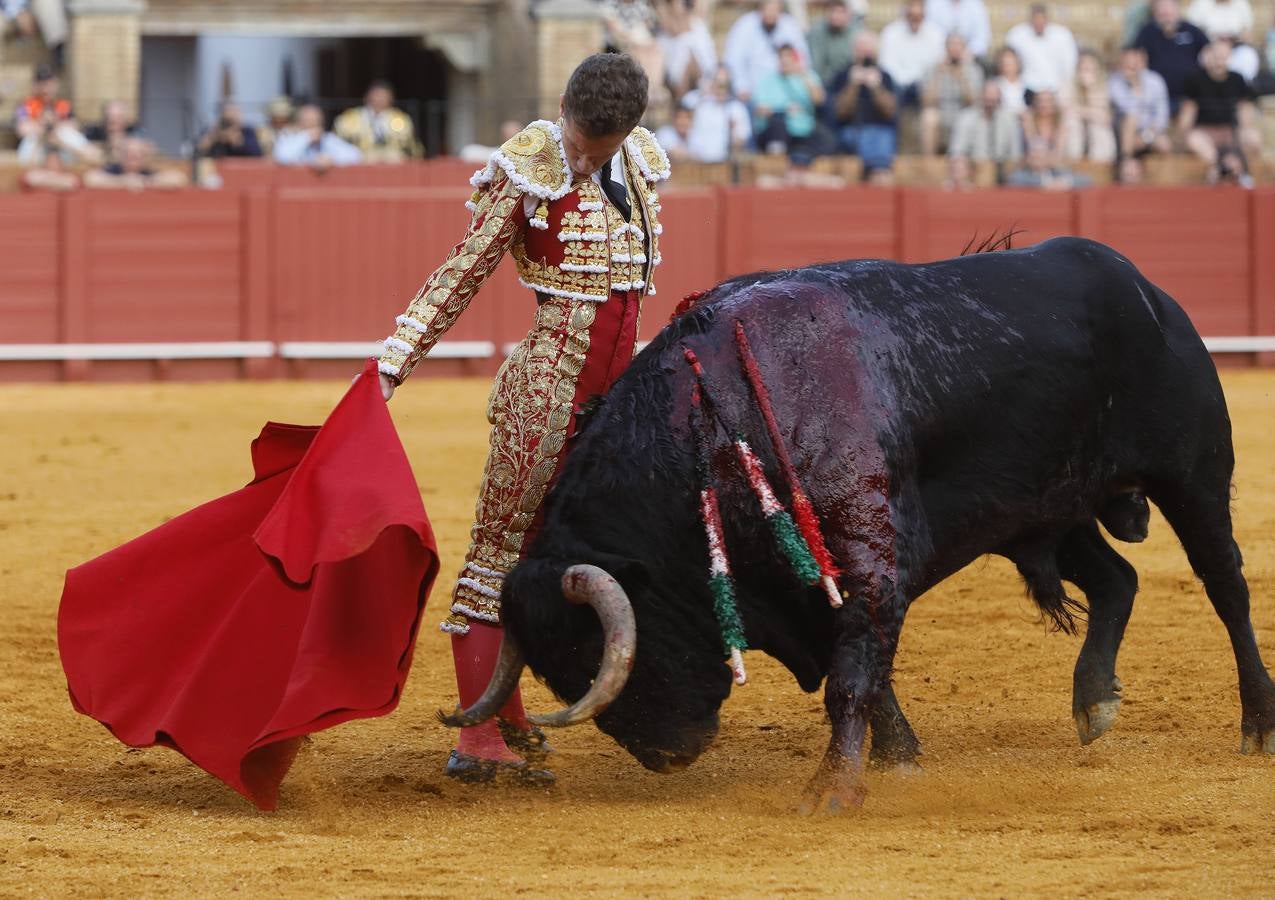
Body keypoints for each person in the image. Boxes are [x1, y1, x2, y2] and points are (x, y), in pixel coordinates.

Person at [375, 53, 671, 784]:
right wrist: (393, 362)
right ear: (562, 107)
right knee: (500, 552)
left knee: (594, 547)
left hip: (618, 400)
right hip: (546, 392)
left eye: (593, 152)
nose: (578, 157)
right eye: (575, 141)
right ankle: (478, 739)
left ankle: (526, 712)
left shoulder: (634, 162)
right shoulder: (528, 166)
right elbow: (463, 269)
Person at [1179, 39, 1261, 183]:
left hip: (1231, 131)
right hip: (1205, 132)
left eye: (1223, 57)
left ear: (1229, 58)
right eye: (1216, 56)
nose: (1219, 61)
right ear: (1208, 56)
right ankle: (1219, 167)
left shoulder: (1237, 79)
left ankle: (1242, 170)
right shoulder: (1195, 80)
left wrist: (1244, 130)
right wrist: (1183, 134)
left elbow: (1244, 109)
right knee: (1194, 139)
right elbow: (1188, 111)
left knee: (1253, 138)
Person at [828, 30, 898, 182]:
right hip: (851, 130)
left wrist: (876, 87)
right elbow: (840, 112)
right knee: (865, 139)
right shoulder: (843, 75)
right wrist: (852, 85)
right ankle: (876, 174)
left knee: (880, 139)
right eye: (862, 50)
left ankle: (876, 174)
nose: (865, 55)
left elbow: (890, 111)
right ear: (854, 51)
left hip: (880, 130)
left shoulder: (885, 76)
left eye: (868, 50)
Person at [753, 42, 829, 163]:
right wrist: (784, 110)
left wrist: (802, 74)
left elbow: (819, 100)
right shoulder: (767, 80)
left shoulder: (807, 76)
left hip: (803, 131)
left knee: (825, 138)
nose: (785, 61)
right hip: (776, 131)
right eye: (782, 57)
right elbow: (760, 110)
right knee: (778, 123)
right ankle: (777, 164)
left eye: (788, 57)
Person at [13, 64, 99, 168]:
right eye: (42, 83)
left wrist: (54, 127)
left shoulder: (63, 105)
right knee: (32, 138)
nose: (46, 87)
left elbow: (74, 126)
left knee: (67, 134)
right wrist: (44, 126)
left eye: (49, 83)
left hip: (61, 144)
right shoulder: (26, 105)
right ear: (35, 85)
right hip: (38, 145)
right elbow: (23, 129)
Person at [724, 0, 810, 101]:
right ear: (760, 9)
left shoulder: (790, 26)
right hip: (752, 95)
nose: (771, 13)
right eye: (768, 9)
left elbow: (802, 59)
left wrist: (793, 69)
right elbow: (734, 61)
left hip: (786, 94)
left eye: (775, 9)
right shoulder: (745, 25)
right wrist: (741, 87)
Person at [1135, 0, 1210, 112]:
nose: (1166, 16)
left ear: (1177, 10)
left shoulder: (1192, 30)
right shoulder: (1147, 32)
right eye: (1162, 12)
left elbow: (1209, 50)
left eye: (1169, 11)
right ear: (1155, 13)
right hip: (1157, 97)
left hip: (1189, 97)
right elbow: (1136, 56)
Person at [947, 81, 1023, 187]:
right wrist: (967, 166)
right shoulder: (966, 117)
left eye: (994, 98)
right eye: (987, 97)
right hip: (974, 166)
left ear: (1000, 99)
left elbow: (1015, 153)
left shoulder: (1009, 119)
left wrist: (1008, 167)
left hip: (1002, 167)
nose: (990, 102)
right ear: (980, 97)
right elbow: (957, 150)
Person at [920, 32, 983, 154]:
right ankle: (929, 161)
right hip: (941, 111)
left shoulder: (974, 70)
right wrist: (938, 75)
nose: (955, 48)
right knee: (929, 117)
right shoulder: (932, 68)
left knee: (969, 118)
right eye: (952, 44)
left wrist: (961, 78)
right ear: (945, 47)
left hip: (964, 112)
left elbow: (973, 102)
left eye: (959, 45)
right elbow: (927, 101)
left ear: (964, 48)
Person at [1109, 46, 1172, 162]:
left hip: (1149, 134)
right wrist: (1133, 85)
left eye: (1136, 62)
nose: (1132, 66)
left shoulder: (1156, 81)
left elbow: (1162, 117)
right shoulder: (1114, 83)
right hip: (1122, 133)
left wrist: (1145, 137)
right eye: (1128, 63)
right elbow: (1129, 111)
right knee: (1130, 121)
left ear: (1144, 62)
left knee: (1164, 144)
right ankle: (1125, 166)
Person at [878, 0, 945, 108]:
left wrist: (921, 82)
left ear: (924, 14)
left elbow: (937, 64)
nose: (915, 19)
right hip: (898, 84)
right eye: (912, 15)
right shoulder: (890, 32)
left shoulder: (936, 33)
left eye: (918, 16)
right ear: (905, 13)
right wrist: (905, 82)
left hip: (925, 84)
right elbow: (887, 65)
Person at [334, 81, 419, 162]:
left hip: (393, 164)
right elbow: (338, 146)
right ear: (367, 97)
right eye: (377, 95)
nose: (380, 99)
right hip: (360, 161)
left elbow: (412, 148)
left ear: (391, 99)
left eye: (384, 96)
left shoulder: (402, 120)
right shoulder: (349, 119)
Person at [683, 66, 753, 162]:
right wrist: (705, 93)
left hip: (723, 162)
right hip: (695, 160)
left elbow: (742, 139)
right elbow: (683, 111)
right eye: (718, 82)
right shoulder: (698, 100)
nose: (721, 87)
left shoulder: (737, 108)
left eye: (724, 83)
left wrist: (733, 134)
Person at [1006, 3, 1079, 93]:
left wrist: (1065, 87)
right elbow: (1009, 64)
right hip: (1025, 87)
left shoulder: (1062, 35)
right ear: (1030, 20)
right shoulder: (1017, 34)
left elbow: (1070, 65)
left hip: (1056, 87)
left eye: (1042, 19)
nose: (1039, 23)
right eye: (1036, 19)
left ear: (1048, 19)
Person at [656, 0, 717, 104]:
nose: (683, 4)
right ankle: (682, 106)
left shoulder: (698, 25)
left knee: (691, 53)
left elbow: (709, 60)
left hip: (703, 76)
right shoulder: (664, 33)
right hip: (675, 79)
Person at [1065, 49, 1117, 162]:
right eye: (1084, 68)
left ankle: (1100, 162)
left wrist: (1090, 90)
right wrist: (1089, 112)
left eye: (1091, 69)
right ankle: (1074, 160)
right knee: (1072, 122)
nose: (1087, 73)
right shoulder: (1068, 86)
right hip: (1076, 133)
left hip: (1097, 134)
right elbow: (1067, 111)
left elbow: (1105, 118)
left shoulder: (1105, 87)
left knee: (1098, 126)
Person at [274, 105, 363, 170]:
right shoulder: (291, 139)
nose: (313, 125)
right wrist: (306, 137)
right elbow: (282, 156)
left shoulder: (328, 139)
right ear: (300, 123)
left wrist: (332, 159)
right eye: (308, 121)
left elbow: (355, 155)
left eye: (316, 121)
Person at [82, 137, 187, 190]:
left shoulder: (147, 172)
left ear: (144, 157)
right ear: (122, 156)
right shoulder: (114, 170)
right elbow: (90, 178)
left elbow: (179, 179)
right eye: (129, 154)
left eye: (138, 155)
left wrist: (145, 182)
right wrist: (123, 181)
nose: (133, 158)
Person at [808, 0, 862, 87]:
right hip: (827, 83)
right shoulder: (817, 32)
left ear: (849, 14)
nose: (835, 16)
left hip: (851, 81)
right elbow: (816, 66)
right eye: (832, 11)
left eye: (840, 12)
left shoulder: (857, 31)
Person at [924, 0, 992, 59]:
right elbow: (929, 33)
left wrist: (968, 52)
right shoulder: (933, 3)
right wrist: (946, 53)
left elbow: (982, 39)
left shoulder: (976, 4)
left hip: (968, 57)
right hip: (940, 56)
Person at [197, 102, 263, 158]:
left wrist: (238, 141)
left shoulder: (247, 132)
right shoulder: (213, 132)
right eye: (227, 122)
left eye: (232, 121)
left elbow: (257, 153)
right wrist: (213, 138)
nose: (229, 126)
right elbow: (198, 151)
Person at [83, 100, 138, 166]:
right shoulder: (94, 133)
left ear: (126, 119)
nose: (113, 120)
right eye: (109, 116)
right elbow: (87, 152)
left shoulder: (134, 133)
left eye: (118, 117)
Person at [1185, 0, 1253, 40]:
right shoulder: (1200, 3)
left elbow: (1247, 32)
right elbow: (1192, 31)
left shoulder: (1241, 3)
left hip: (1235, 45)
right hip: (1208, 46)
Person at [992, 46, 1030, 113]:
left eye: (1010, 63)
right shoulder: (994, 85)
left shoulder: (1027, 86)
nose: (1008, 67)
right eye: (1005, 64)